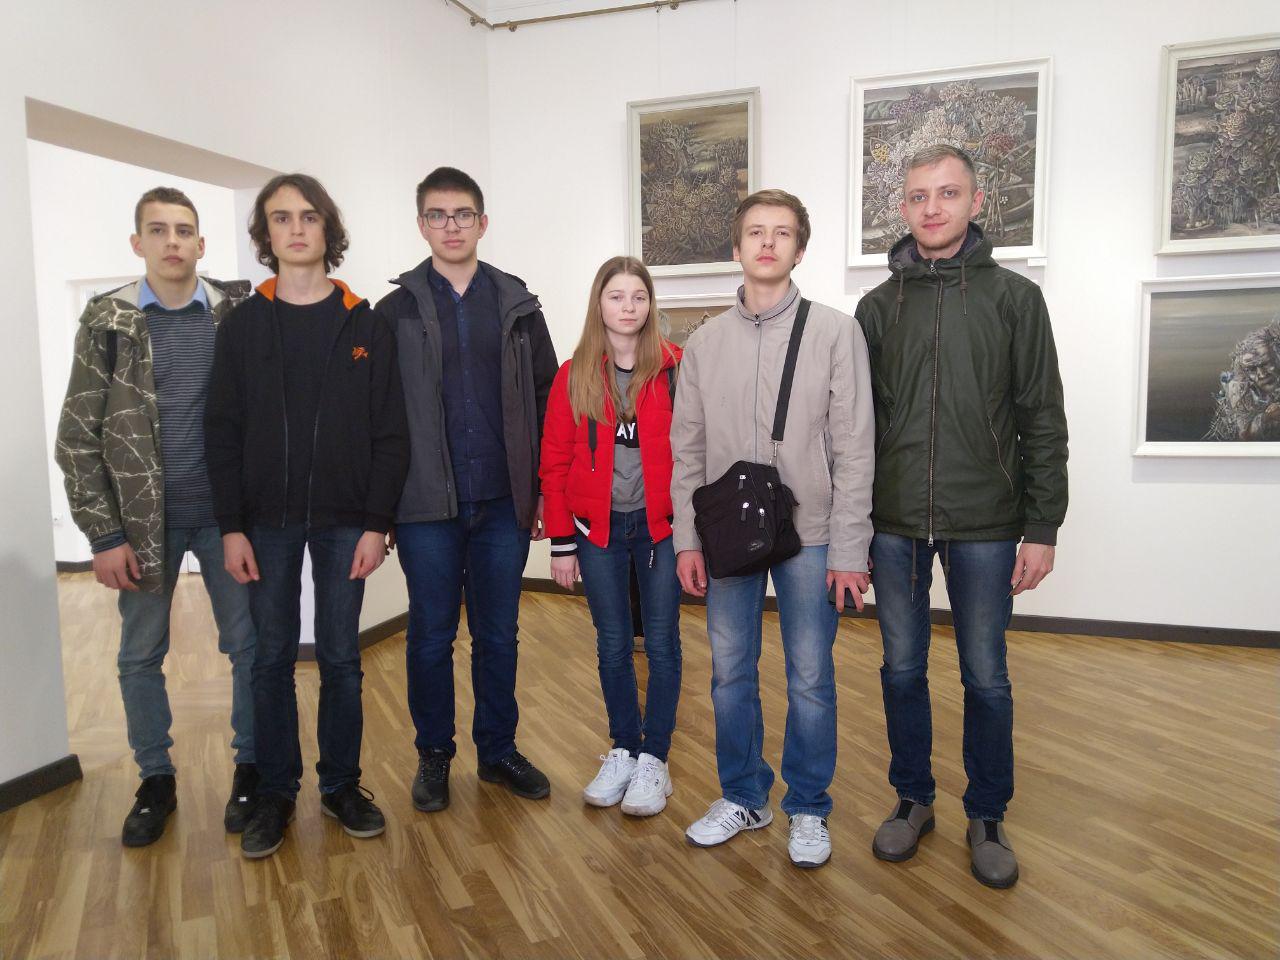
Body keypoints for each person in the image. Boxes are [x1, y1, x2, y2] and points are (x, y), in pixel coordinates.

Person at [856, 145, 1068, 888]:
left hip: (987, 520)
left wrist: (1042, 526)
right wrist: (854, 526)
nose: (933, 207)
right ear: (904, 208)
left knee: (986, 676)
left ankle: (988, 813)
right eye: (919, 196)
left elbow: (1042, 417)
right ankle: (913, 798)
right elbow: (855, 429)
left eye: (948, 193)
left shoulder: (1016, 300)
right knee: (901, 669)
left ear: (976, 202)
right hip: (894, 523)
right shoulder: (877, 308)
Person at [205, 173, 409, 859]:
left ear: (328, 228)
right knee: (270, 659)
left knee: (342, 658)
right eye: (281, 218)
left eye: (309, 216)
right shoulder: (242, 326)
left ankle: (341, 785)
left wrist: (377, 522)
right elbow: (222, 431)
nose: (296, 229)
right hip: (264, 523)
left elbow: (391, 432)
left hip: (347, 521)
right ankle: (274, 791)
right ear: (266, 234)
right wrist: (231, 525)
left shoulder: (365, 323)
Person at [670, 189, 875, 868]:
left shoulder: (836, 333)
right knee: (730, 671)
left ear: (799, 249)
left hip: (811, 532)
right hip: (727, 533)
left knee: (810, 674)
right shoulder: (704, 343)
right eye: (755, 232)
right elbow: (687, 450)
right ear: (736, 248)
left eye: (782, 232)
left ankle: (808, 806)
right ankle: (743, 795)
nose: (767, 243)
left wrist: (850, 548)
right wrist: (687, 540)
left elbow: (855, 447)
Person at [55, 187, 256, 847]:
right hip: (143, 525)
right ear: (137, 243)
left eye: (185, 230)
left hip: (227, 516)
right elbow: (77, 437)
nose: (173, 242)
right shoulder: (108, 322)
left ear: (201, 243)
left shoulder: (234, 315)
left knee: (249, 648)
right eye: (159, 230)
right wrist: (104, 534)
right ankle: (155, 780)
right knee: (141, 655)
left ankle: (251, 770)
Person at [375, 167, 559, 813]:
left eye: (462, 214)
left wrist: (542, 490)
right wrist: (380, 507)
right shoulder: (393, 312)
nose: (450, 226)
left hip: (503, 502)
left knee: (498, 636)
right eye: (437, 215)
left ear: (482, 223)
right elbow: (379, 414)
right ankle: (434, 755)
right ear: (421, 225)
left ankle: (498, 750)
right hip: (425, 505)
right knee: (430, 637)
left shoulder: (517, 305)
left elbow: (547, 398)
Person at [539, 256, 683, 817]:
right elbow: (555, 461)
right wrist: (561, 542)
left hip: (660, 528)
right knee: (613, 643)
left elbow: (694, 452)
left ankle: (655, 757)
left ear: (650, 305)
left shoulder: (674, 368)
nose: (628, 307)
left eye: (638, 297)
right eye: (617, 297)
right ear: (599, 304)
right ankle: (624, 746)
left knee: (663, 642)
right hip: (596, 531)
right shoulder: (573, 374)